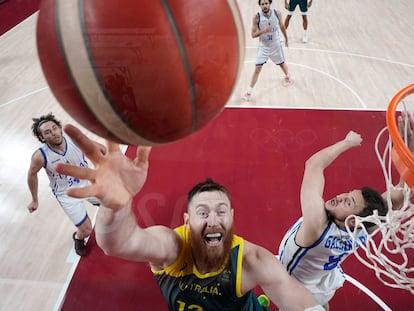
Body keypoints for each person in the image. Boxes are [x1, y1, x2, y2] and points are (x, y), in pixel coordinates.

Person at [55, 124, 324, 311]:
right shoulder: (171, 247)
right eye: (203, 213)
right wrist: (115, 206)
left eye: (220, 211)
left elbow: (298, 300)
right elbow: (116, 244)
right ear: (186, 221)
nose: (213, 220)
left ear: (231, 218)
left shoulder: (253, 261)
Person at [278, 129, 407, 310]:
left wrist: (347, 142)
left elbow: (314, 164)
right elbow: (397, 198)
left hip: (296, 287)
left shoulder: (316, 225)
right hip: (322, 280)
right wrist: (409, 152)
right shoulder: (367, 225)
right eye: (347, 194)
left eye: (348, 202)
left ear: (353, 220)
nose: (340, 196)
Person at [27, 113, 101, 256]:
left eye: (54, 128)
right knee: (86, 230)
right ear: (42, 138)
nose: (53, 133)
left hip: (86, 183)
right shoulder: (40, 156)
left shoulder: (75, 140)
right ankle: (78, 238)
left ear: (60, 128)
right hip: (66, 194)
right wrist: (35, 199)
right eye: (47, 132)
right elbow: (31, 174)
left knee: (114, 202)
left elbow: (98, 148)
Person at [242, 0, 291, 102]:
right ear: (260, 5)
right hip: (264, 46)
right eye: (262, 4)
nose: (264, 6)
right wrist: (263, 31)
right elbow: (253, 35)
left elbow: (282, 26)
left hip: (275, 45)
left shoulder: (277, 13)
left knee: (282, 64)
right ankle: (248, 92)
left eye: (266, 3)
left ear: (270, 4)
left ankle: (287, 76)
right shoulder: (256, 17)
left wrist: (286, 38)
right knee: (257, 69)